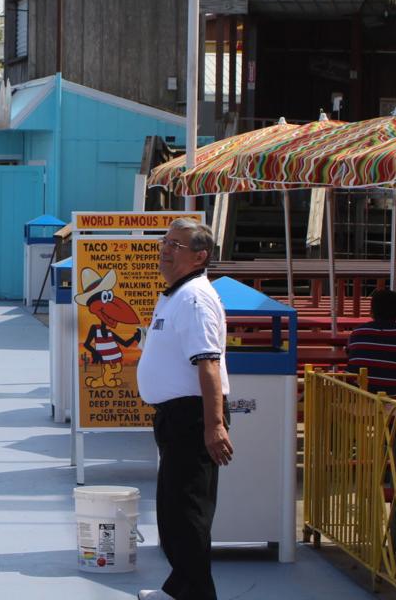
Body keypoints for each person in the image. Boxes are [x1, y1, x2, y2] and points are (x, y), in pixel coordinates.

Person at [136, 219, 233, 600]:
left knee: (189, 512)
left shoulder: (194, 299)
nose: (166, 249)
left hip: (193, 417)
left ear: (200, 256)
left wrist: (215, 426)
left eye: (176, 245)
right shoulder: (176, 295)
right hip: (176, 416)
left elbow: (208, 363)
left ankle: (196, 594)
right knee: (173, 510)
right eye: (165, 242)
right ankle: (180, 589)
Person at [346, 289, 396, 400]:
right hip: (387, 398)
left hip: (352, 396)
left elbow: (351, 357)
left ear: (371, 312)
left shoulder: (357, 332)